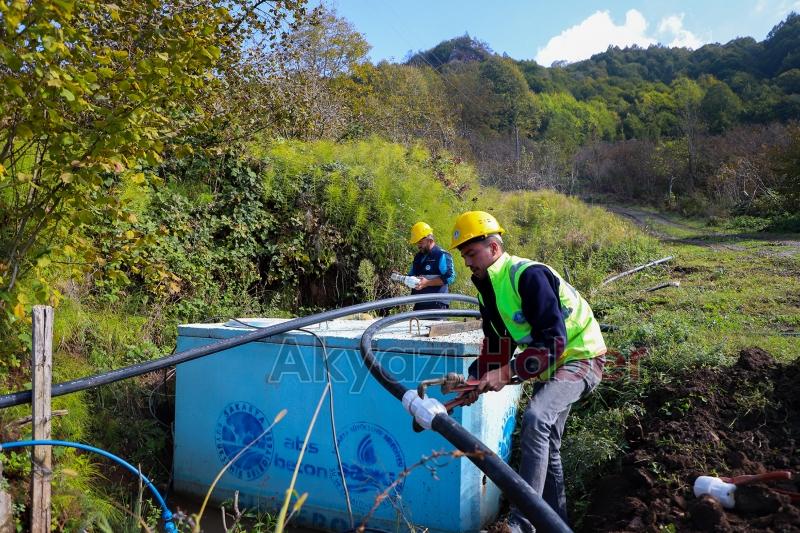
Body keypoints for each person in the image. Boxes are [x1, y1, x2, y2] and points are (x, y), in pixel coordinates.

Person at [450, 211, 606, 532]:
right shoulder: (486, 288)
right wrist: (475, 379)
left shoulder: (527, 275)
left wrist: (506, 374)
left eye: (471, 253)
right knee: (546, 441)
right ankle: (558, 524)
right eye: (464, 256)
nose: (467, 262)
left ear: (493, 248)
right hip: (551, 365)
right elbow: (497, 345)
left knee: (536, 419)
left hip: (581, 357)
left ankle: (522, 523)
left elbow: (554, 341)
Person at [404, 221, 456, 310]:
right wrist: (408, 280)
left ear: (429, 239)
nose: (418, 245)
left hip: (437, 304)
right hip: (419, 303)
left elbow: (450, 277)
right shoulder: (418, 257)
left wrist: (427, 283)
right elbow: (411, 274)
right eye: (417, 242)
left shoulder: (441, 255)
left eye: (420, 242)